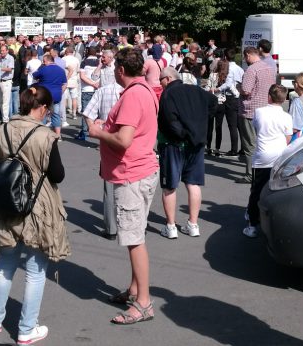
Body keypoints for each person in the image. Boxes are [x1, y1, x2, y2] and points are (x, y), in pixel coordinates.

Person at [0, 85, 70, 345]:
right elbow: (58, 175)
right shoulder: (45, 136)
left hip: (7, 202)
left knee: (5, 263)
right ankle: (26, 328)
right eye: (47, 109)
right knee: (35, 270)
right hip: (38, 206)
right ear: (42, 108)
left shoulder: (3, 130)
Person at [89, 48, 159, 326]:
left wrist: (97, 132)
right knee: (136, 233)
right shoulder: (145, 90)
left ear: (120, 70)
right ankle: (135, 290)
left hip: (132, 173)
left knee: (133, 239)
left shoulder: (133, 95)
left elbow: (124, 140)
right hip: (141, 170)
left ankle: (143, 302)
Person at [157, 67, 215, 239]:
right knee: (193, 183)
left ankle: (171, 226)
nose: (160, 84)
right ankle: (193, 224)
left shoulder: (168, 94)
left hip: (173, 144)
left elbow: (169, 119)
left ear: (167, 79)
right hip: (195, 143)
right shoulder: (196, 90)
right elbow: (213, 103)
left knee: (169, 186)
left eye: (161, 80)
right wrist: (199, 124)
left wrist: (182, 134)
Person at [243, 84, 293, 238]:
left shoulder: (259, 112)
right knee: (277, 190)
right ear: (284, 99)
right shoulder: (287, 116)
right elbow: (288, 137)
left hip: (262, 157)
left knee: (256, 191)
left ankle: (252, 224)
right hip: (280, 156)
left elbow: (257, 129)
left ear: (269, 97)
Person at [82, 47, 122, 237]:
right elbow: (96, 79)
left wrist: (95, 128)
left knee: (110, 183)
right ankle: (125, 225)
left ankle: (112, 228)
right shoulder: (134, 91)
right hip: (125, 138)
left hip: (107, 137)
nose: (102, 59)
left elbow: (87, 113)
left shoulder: (111, 90)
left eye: (104, 57)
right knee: (127, 182)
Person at [237, 43, 277, 183]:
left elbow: (246, 90)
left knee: (250, 145)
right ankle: (265, 171)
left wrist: (238, 87)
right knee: (263, 141)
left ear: (248, 55)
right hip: (265, 108)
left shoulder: (251, 70)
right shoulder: (268, 67)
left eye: (244, 56)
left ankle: (250, 174)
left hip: (250, 110)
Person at [32, 53, 67, 140]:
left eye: (44, 61)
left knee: (42, 114)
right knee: (55, 115)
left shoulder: (43, 69)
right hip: (56, 95)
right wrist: (60, 92)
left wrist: (41, 66)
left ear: (46, 61)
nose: (43, 63)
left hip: (44, 95)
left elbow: (34, 75)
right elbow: (64, 84)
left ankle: (42, 134)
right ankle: (58, 135)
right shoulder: (61, 70)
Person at [76, 46, 100, 140]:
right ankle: (96, 131)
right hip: (97, 88)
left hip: (87, 89)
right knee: (97, 112)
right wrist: (96, 84)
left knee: (86, 112)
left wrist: (92, 84)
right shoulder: (100, 62)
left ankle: (85, 133)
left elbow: (82, 76)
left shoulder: (84, 62)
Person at [0, 44, 16, 123]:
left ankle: (5, 120)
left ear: (7, 51)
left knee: (5, 102)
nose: (1, 52)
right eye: (1, 50)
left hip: (7, 81)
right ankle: (3, 117)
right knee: (1, 101)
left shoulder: (10, 58)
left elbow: (10, 69)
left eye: (3, 50)